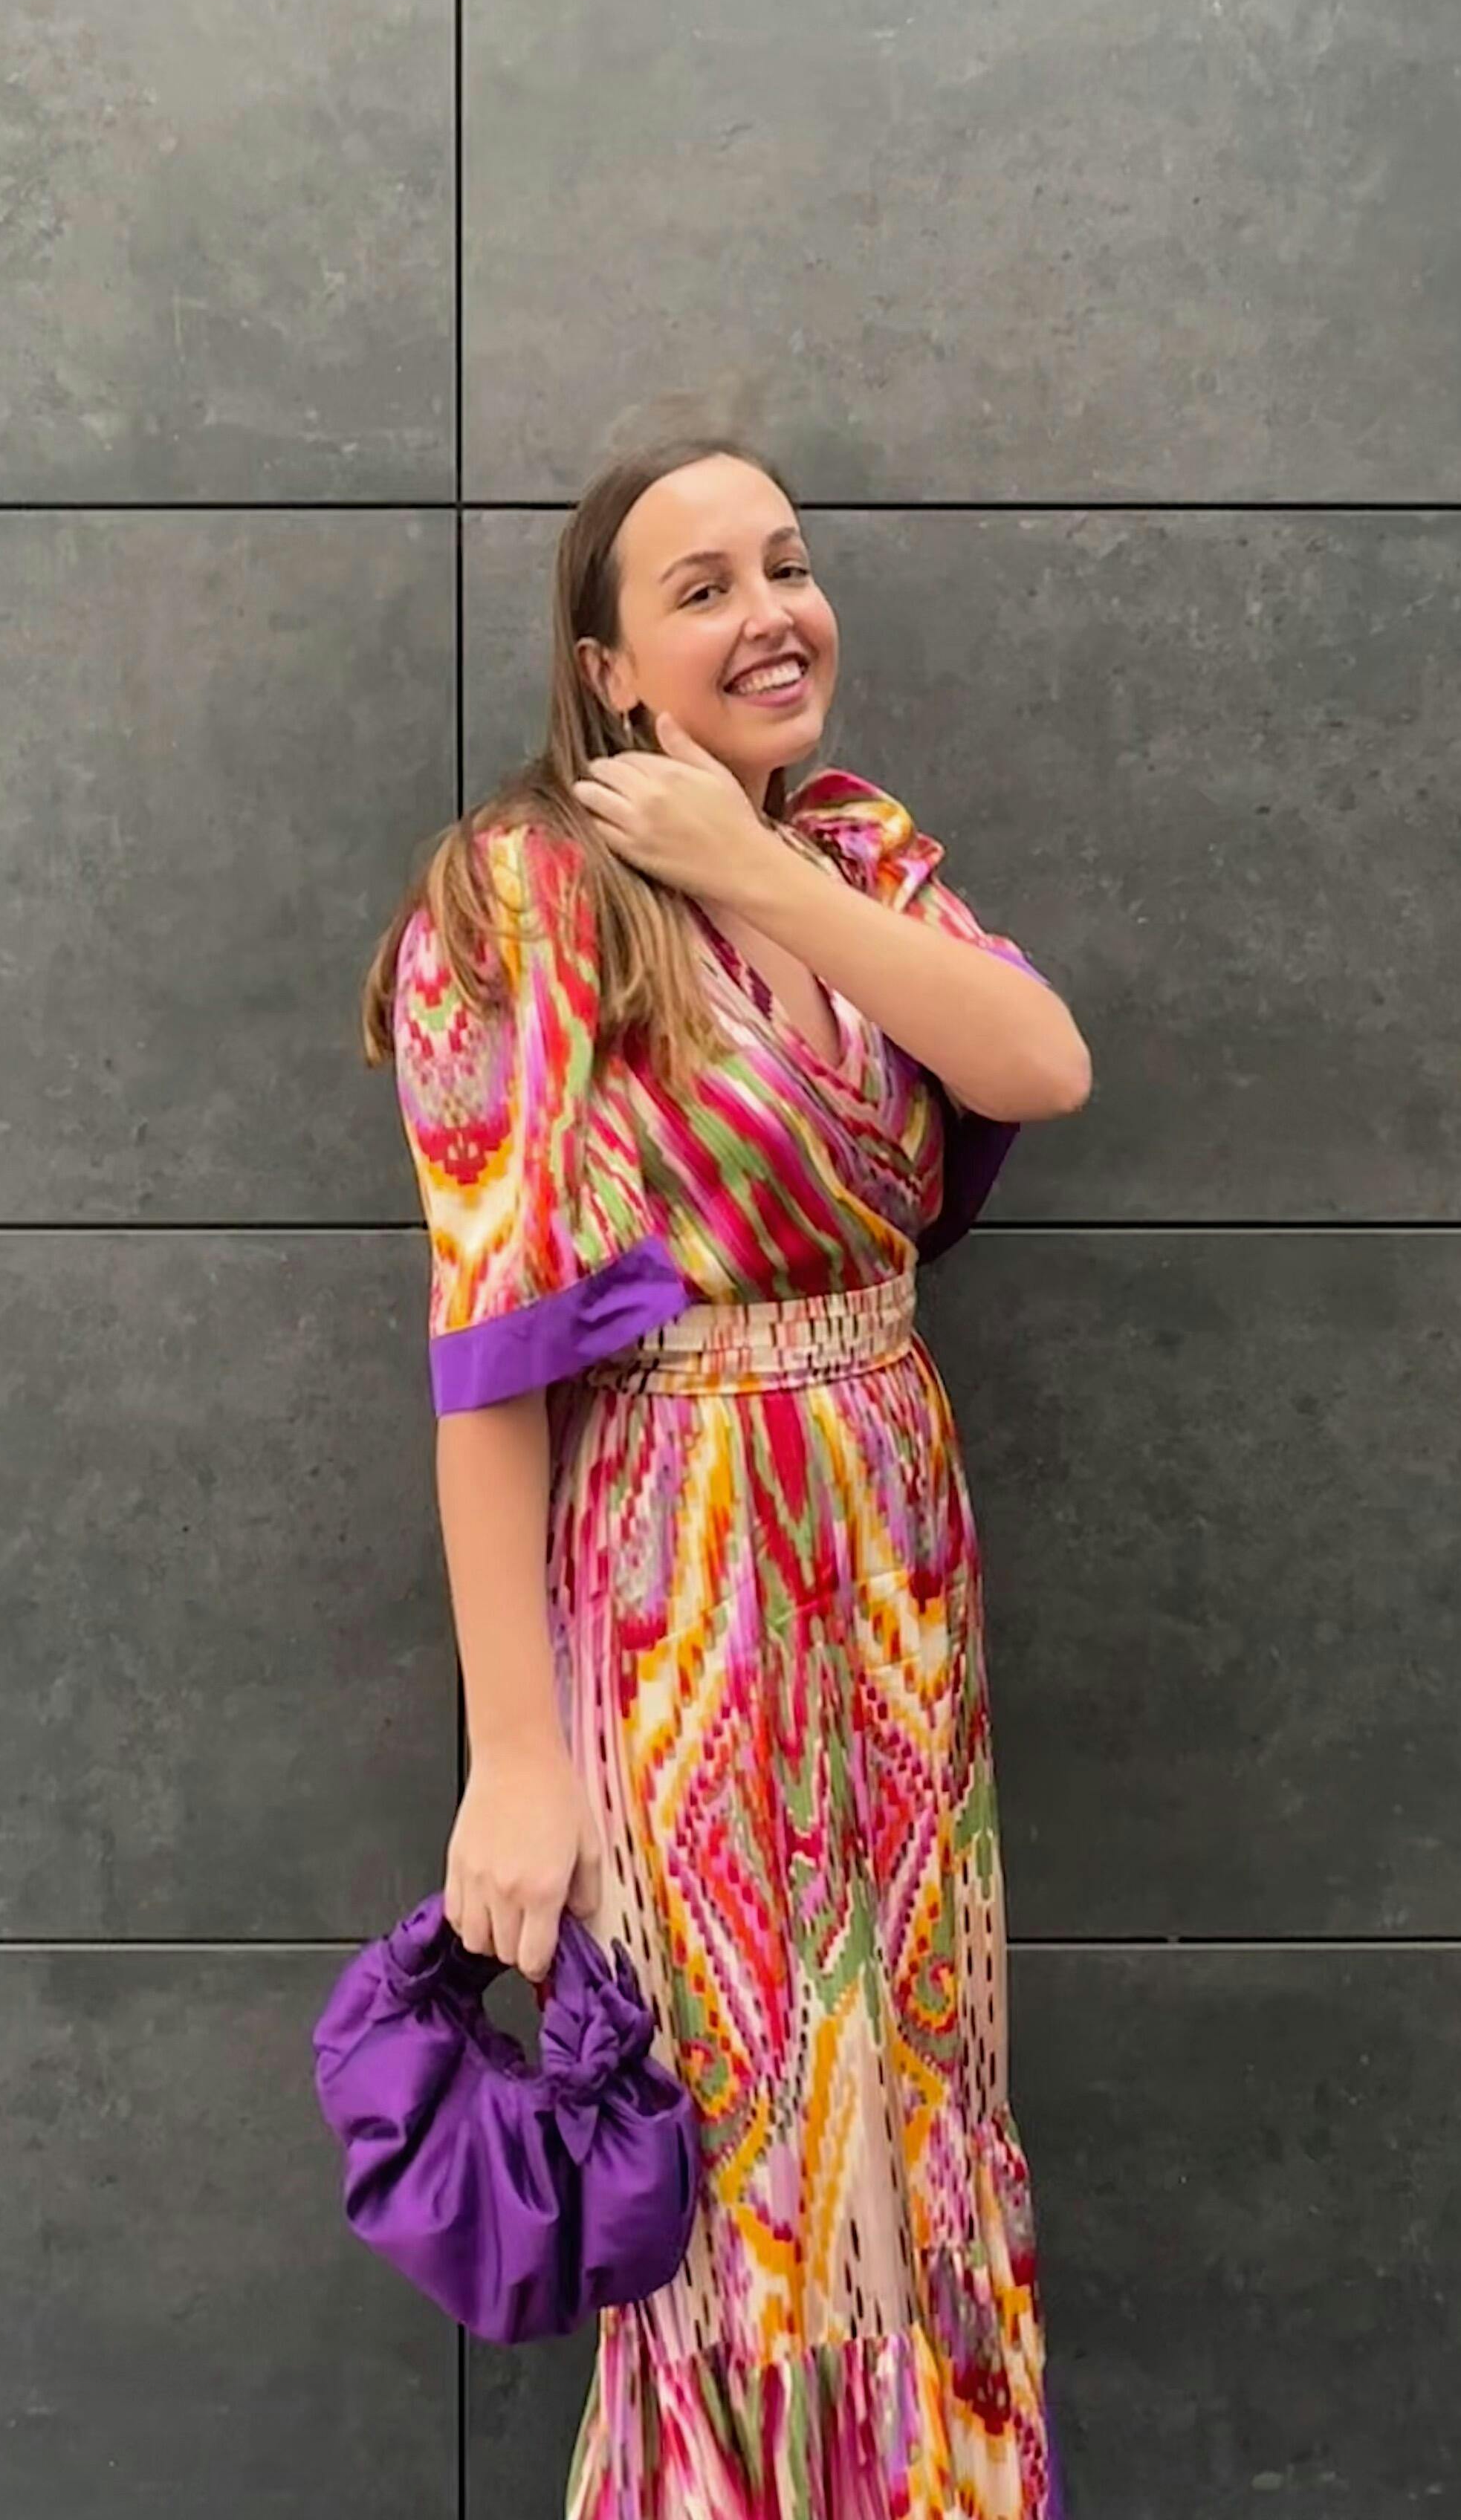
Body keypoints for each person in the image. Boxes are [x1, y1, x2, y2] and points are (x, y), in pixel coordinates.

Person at [360, 428, 1092, 2519]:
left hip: (896, 1565)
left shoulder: (853, 852)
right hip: (685, 1571)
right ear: (605, 668)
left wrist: (758, 870)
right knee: (750, 2148)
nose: (772, 614)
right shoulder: (520, 901)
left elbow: (1038, 1064)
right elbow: (490, 1370)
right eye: (701, 589)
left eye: (787, 564)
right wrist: (518, 1763)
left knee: (922, 2116)